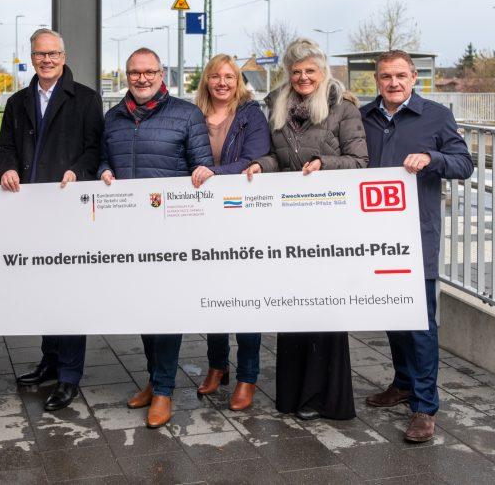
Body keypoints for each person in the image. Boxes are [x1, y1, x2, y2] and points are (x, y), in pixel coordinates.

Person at [245, 37, 368, 421]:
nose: (302, 77)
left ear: (322, 71)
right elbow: (272, 155)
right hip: (288, 222)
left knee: (324, 309)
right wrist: (259, 167)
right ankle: (293, 395)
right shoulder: (275, 105)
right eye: (295, 71)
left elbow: (360, 161)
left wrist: (322, 163)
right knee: (292, 306)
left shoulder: (342, 107)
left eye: (309, 70)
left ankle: (321, 396)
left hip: (329, 222)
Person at [361, 50, 473, 443]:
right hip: (373, 236)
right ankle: (404, 383)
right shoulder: (364, 117)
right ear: (377, 80)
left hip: (416, 238)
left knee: (421, 323)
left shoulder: (436, 115)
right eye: (386, 76)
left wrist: (432, 157)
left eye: (401, 76)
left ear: (414, 79)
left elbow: (464, 164)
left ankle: (425, 407)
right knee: (392, 316)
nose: (394, 83)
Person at [100, 47, 213, 428]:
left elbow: (203, 165)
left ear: (161, 73)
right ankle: (153, 380)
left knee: (165, 309)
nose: (142, 79)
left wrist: (201, 173)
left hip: (171, 232)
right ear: (126, 75)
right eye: (135, 73)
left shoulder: (186, 114)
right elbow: (103, 158)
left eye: (149, 72)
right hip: (128, 232)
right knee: (143, 309)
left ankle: (164, 391)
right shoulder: (113, 118)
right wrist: (103, 171)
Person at [0, 28, 104, 412]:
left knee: (69, 291)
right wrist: (7, 168)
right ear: (32, 56)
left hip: (67, 207)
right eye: (40, 54)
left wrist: (77, 171)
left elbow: (95, 148)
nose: (47, 60)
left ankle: (69, 375)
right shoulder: (17, 101)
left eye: (53, 53)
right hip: (30, 208)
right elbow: (7, 144)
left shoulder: (87, 99)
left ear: (64, 55)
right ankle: (49, 361)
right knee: (42, 288)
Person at [190, 54, 271, 410]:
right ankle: (217, 365)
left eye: (229, 77)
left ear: (238, 81)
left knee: (245, 297)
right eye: (215, 77)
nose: (222, 83)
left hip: (242, 217)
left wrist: (213, 173)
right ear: (206, 81)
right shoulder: (194, 115)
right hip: (203, 218)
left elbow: (254, 158)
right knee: (211, 294)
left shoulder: (251, 114)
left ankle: (248, 376)